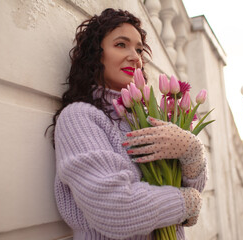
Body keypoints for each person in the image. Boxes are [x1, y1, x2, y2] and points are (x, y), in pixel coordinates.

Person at [50, 8, 208, 240]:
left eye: (139, 49)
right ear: (95, 54)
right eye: (121, 44)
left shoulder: (147, 116)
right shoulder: (80, 118)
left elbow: (192, 186)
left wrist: (192, 152)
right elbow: (114, 208)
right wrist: (184, 202)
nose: (135, 56)